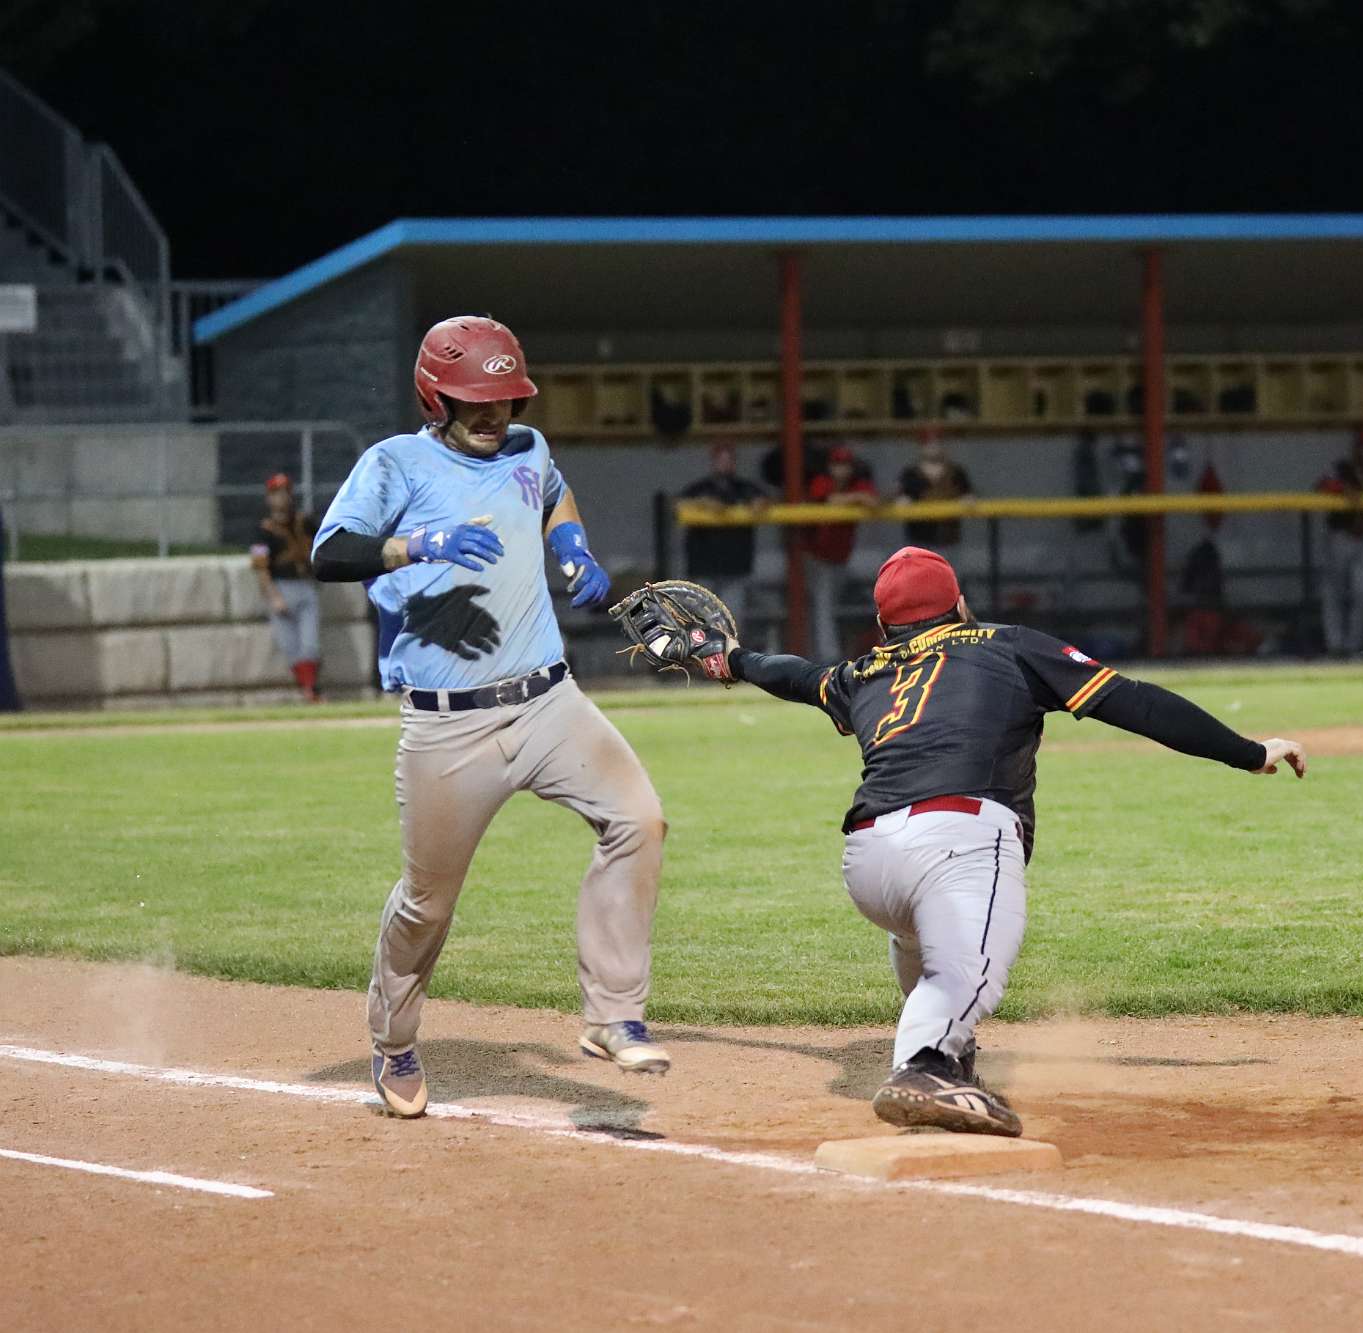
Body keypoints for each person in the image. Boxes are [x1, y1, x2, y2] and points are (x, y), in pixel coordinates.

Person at [710, 546, 1305, 1136]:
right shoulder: (1009, 644)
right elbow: (1135, 703)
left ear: (884, 624)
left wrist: (732, 659)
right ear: (960, 605)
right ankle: (925, 1067)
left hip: (867, 861)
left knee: (920, 932)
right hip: (961, 839)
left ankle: (951, 1050)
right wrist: (1248, 753)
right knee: (960, 969)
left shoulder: (862, 672)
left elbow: (794, 675)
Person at [311, 315, 671, 1119]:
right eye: (475, 399)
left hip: (549, 701)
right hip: (449, 727)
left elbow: (553, 490)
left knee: (638, 818)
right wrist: (417, 544)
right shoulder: (395, 464)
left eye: (505, 398)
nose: (494, 413)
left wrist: (572, 544)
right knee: (426, 904)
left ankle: (613, 1014)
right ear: (434, 397)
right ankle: (394, 1041)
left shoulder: (527, 448)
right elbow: (329, 553)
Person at [1315, 426, 1363, 658]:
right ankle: (1335, 645)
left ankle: (1353, 645)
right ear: (1356, 449)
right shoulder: (1342, 468)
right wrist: (1342, 489)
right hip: (1341, 536)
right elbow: (1321, 485)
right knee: (1333, 591)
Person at [252, 472, 323, 702]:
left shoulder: (304, 522)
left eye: (285, 492)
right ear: (269, 498)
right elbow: (260, 566)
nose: (282, 497)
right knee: (290, 647)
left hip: (305, 584)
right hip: (282, 588)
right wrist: (273, 596)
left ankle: (310, 690)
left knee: (310, 644)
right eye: (277, 493)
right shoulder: (264, 530)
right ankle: (308, 690)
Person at [803, 443, 878, 659]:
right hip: (816, 556)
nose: (841, 469)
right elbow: (828, 500)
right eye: (837, 465)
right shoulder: (821, 482)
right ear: (830, 467)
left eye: (845, 465)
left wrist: (855, 497)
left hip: (841, 558)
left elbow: (873, 501)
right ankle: (828, 658)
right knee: (823, 607)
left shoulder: (858, 484)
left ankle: (831, 653)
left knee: (830, 607)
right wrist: (854, 499)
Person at [679, 442, 767, 614]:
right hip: (704, 565)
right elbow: (677, 505)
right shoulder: (699, 489)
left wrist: (760, 504)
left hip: (735, 566)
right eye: (721, 460)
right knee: (702, 620)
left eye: (729, 460)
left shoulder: (745, 489)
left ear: (734, 462)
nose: (725, 464)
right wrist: (702, 503)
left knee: (732, 618)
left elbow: (763, 500)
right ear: (713, 462)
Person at [896, 429, 975, 550]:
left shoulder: (957, 472)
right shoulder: (910, 473)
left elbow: (968, 494)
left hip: (949, 536)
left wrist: (968, 499)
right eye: (928, 443)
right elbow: (901, 498)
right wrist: (903, 500)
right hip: (919, 536)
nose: (933, 446)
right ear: (921, 446)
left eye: (937, 442)